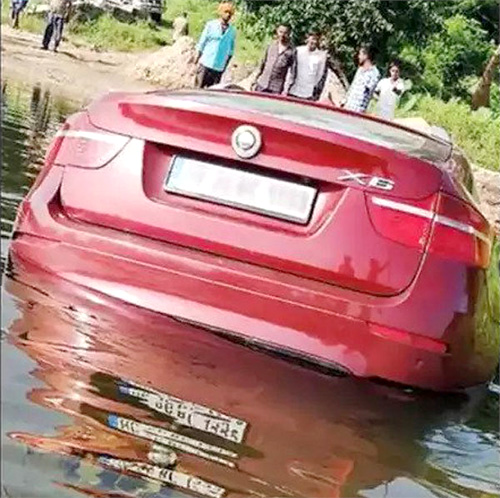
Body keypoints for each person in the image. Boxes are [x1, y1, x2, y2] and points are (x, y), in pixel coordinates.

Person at [195, 1, 236, 89]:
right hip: (206, 63)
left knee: (213, 92)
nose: (228, 15)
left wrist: (224, 66)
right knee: (198, 90)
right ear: (221, 12)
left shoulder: (232, 31)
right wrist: (197, 59)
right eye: (226, 12)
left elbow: (231, 51)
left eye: (230, 13)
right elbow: (202, 43)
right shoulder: (211, 25)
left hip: (218, 67)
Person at [253, 24, 296, 95]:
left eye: (285, 33)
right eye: (280, 32)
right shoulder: (271, 46)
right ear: (277, 32)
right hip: (262, 84)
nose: (282, 35)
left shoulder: (292, 51)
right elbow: (262, 64)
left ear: (289, 34)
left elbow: (292, 72)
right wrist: (255, 80)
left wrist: (287, 89)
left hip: (276, 88)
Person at [287, 32, 328, 101]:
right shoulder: (298, 50)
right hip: (293, 89)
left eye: (315, 40)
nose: (313, 42)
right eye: (311, 39)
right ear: (307, 40)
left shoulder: (321, 56)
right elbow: (291, 68)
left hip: (308, 93)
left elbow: (319, 75)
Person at [343, 45, 380, 113]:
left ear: (366, 56)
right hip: (348, 107)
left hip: (358, 110)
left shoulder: (374, 73)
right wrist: (344, 101)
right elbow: (352, 87)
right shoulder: (359, 70)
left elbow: (369, 92)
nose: (358, 57)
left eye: (360, 54)